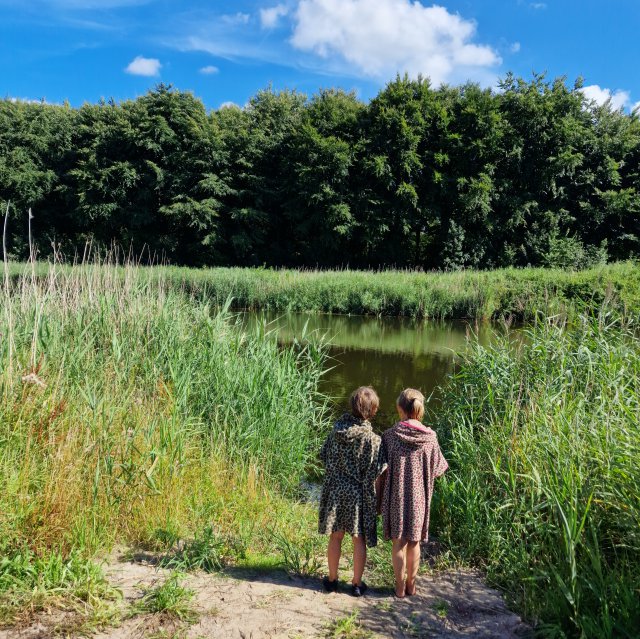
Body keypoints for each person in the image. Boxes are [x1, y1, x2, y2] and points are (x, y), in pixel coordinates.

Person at [379, 388, 448, 598]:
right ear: (421, 410)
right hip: (420, 500)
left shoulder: (389, 436)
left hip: (396, 498)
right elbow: (439, 470)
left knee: (398, 542)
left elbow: (380, 469)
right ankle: (412, 586)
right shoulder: (431, 438)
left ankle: (399, 588)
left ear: (400, 409)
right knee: (414, 542)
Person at [318, 386, 386, 597]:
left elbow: (324, 457)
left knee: (335, 537)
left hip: (336, 491)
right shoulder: (374, 440)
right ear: (372, 410)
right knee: (359, 539)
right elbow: (377, 470)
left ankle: (331, 581)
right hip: (358, 494)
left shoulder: (335, 432)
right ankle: (356, 584)